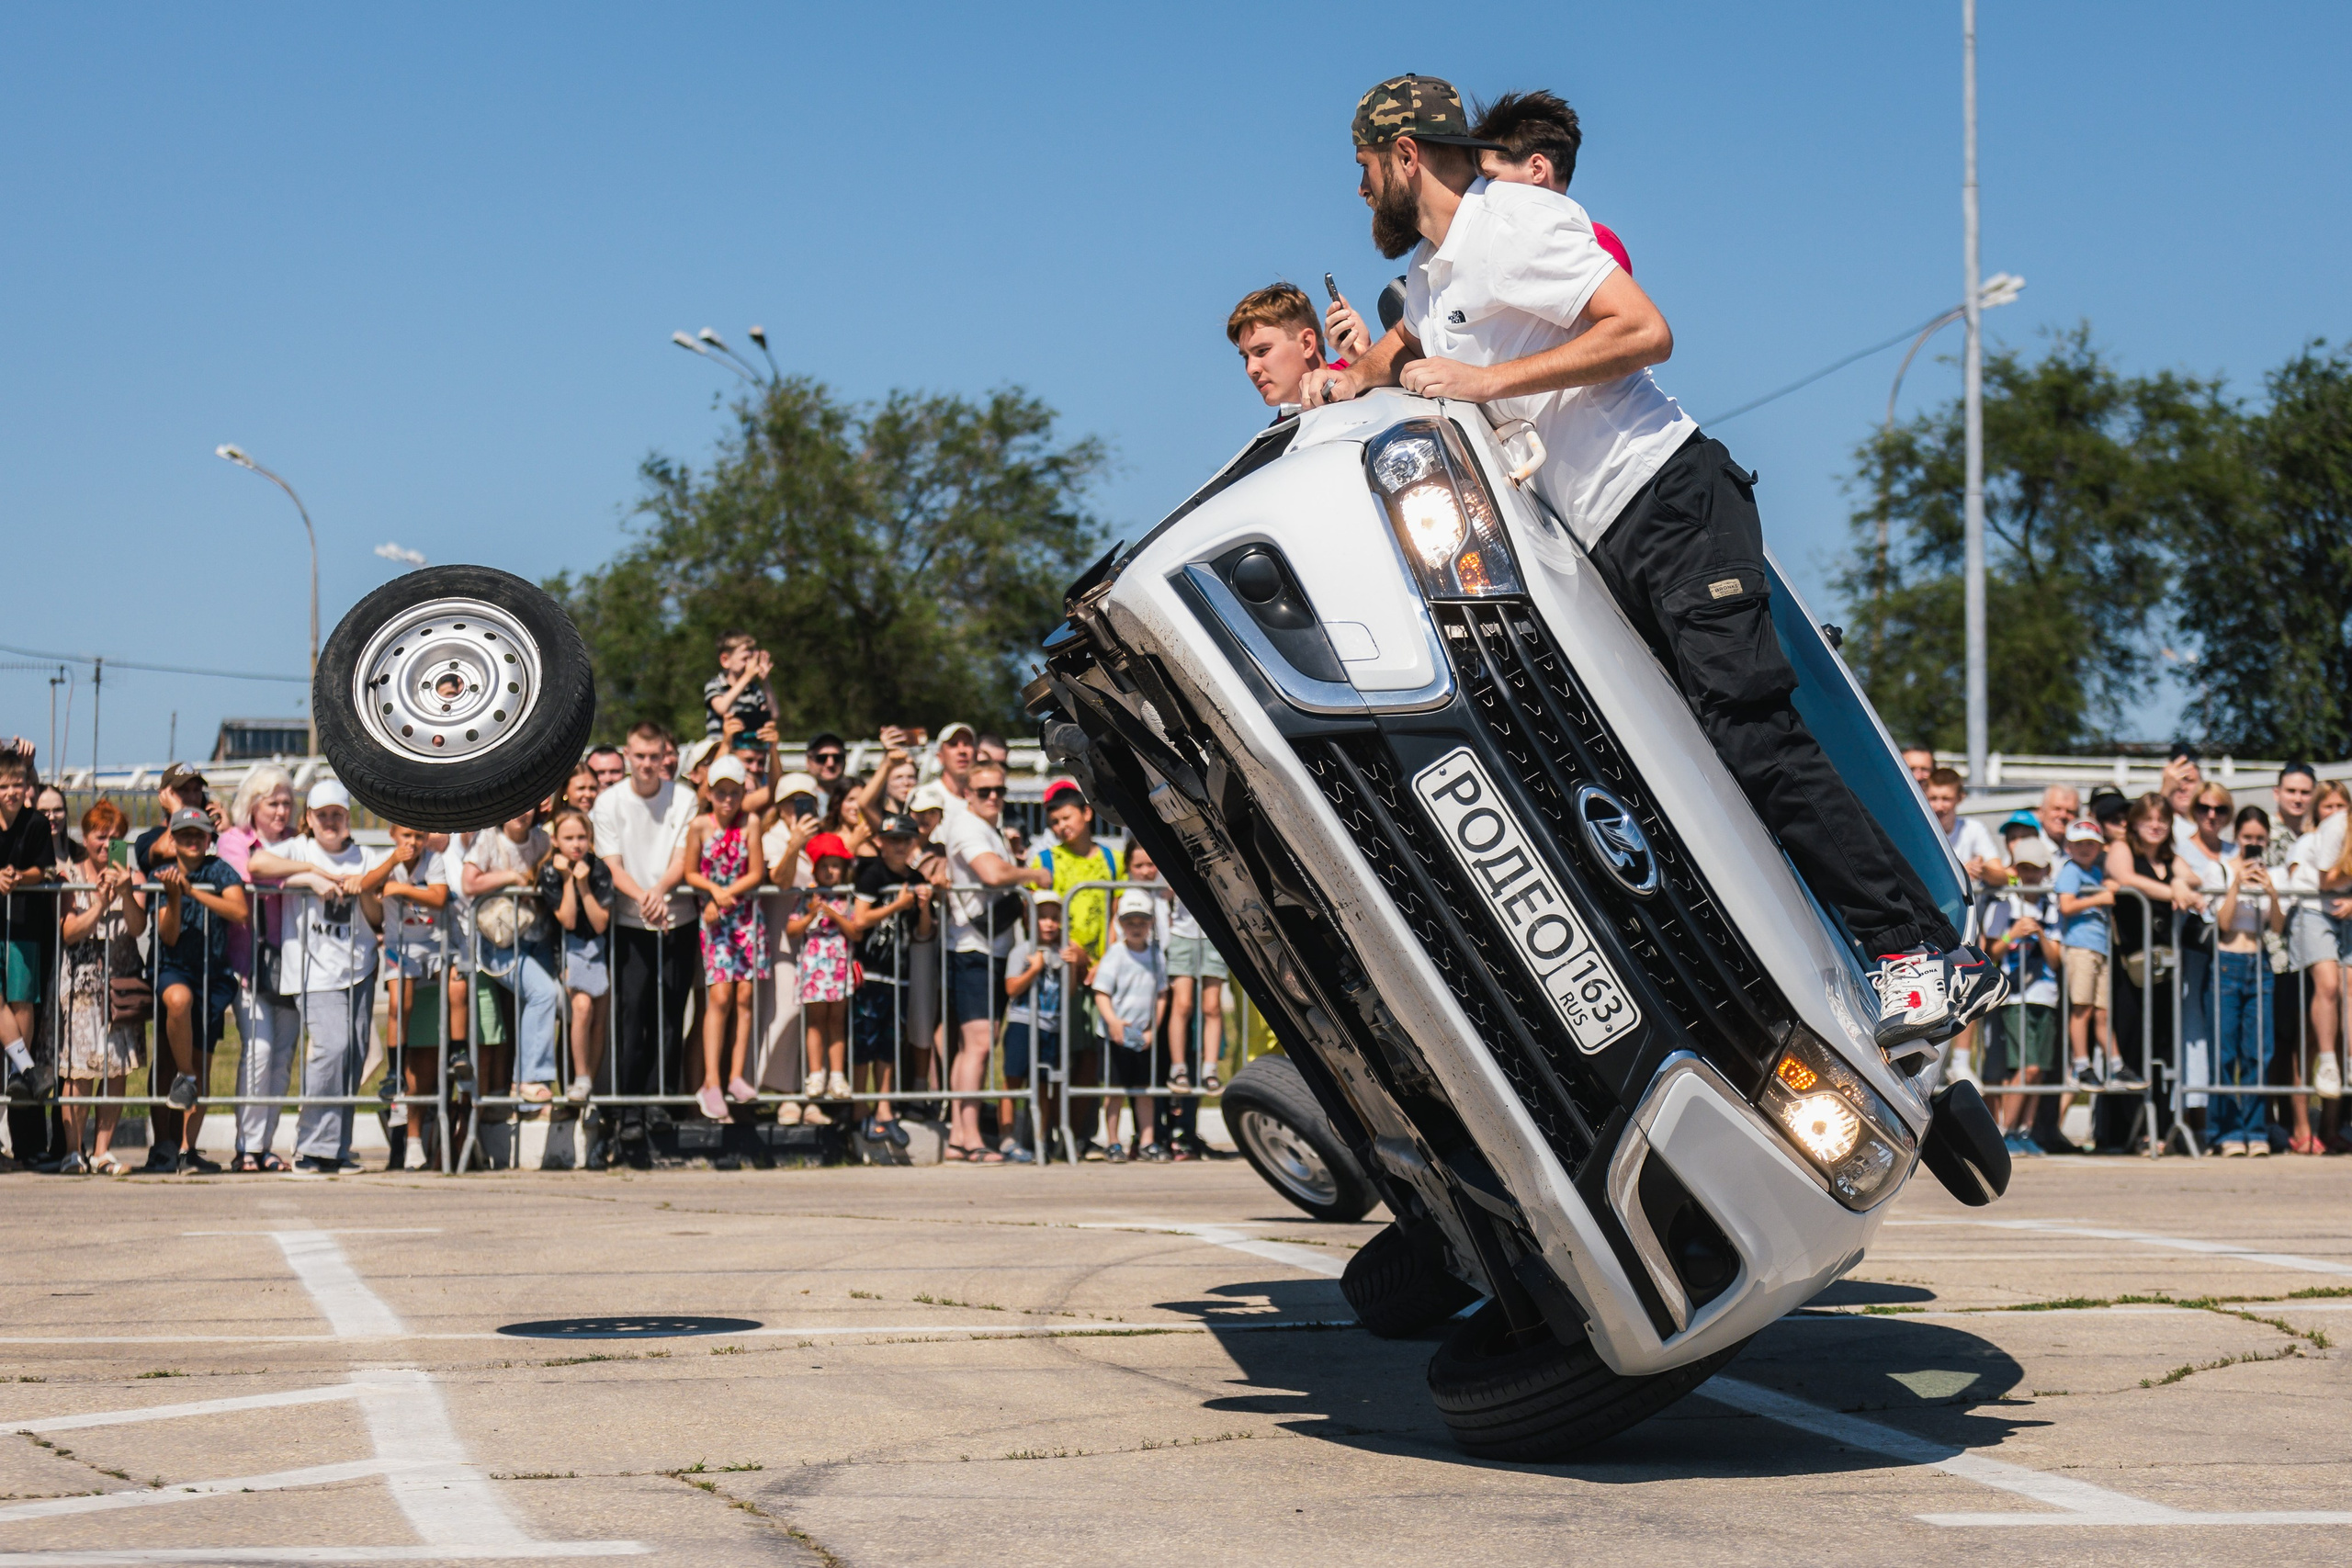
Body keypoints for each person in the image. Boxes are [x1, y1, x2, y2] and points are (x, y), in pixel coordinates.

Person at [1305, 73, 1999, 1050]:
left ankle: (1920, 955)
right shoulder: (1437, 275)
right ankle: (1822, 970)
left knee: (1750, 734)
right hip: (1607, 538)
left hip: (1669, 497)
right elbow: (1388, 361)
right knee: (1685, 761)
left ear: (1403, 155)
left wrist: (1485, 381)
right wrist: (1331, 386)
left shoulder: (1516, 225)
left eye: (1363, 167)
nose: (1360, 188)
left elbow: (1643, 330)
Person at [248, 784, 379, 1173]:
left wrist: (365, 888)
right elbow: (257, 865)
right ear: (308, 818)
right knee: (332, 1047)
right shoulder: (298, 850)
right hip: (313, 971)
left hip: (360, 965)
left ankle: (336, 1147)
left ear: (347, 816)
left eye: (337, 813)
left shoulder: (365, 855)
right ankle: (310, 1145)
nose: (329, 821)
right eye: (321, 814)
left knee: (353, 1058)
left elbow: (376, 915)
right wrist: (311, 874)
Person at [594, 721, 698, 1168]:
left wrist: (660, 893)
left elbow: (682, 857)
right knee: (631, 1013)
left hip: (678, 917)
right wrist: (643, 898)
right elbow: (613, 867)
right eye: (639, 756)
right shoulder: (609, 802)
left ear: (664, 756)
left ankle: (661, 1102)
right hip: (630, 921)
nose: (647, 765)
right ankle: (629, 1108)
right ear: (628, 755)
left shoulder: (685, 797)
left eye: (655, 756)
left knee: (671, 1014)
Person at [941, 761, 1048, 1160]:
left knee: (976, 1046)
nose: (992, 797)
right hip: (973, 948)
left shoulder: (989, 828)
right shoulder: (968, 826)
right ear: (967, 793)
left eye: (999, 791)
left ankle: (959, 1134)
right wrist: (1032, 874)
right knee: (979, 1045)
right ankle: (969, 1139)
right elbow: (991, 873)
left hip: (991, 947)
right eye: (983, 790)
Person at [150, 806, 248, 1172]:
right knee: (178, 1000)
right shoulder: (159, 874)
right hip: (175, 968)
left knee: (206, 1066)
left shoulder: (220, 870)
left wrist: (192, 891)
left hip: (213, 974)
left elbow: (239, 911)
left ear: (209, 839)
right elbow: (168, 935)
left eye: (199, 834)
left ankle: (188, 1150)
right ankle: (185, 1076)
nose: (192, 840)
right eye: (185, 834)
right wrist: (174, 897)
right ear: (172, 838)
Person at [218, 765, 301, 1170]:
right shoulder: (235, 841)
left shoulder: (299, 842)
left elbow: (283, 872)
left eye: (287, 802)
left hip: (292, 965)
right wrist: (301, 871)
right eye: (273, 803)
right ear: (254, 805)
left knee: (284, 1056)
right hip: (248, 964)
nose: (281, 811)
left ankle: (266, 1145)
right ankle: (246, 1146)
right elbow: (249, 872)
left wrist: (295, 868)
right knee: (260, 1050)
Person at [56, 801, 144, 1175]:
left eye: (115, 837)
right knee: (78, 1071)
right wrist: (99, 905)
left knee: (115, 1068)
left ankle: (102, 1152)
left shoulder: (134, 877)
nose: (107, 844)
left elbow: (138, 927)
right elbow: (70, 931)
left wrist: (123, 894)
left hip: (120, 982)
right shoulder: (70, 875)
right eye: (100, 835)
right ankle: (72, 1151)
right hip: (79, 984)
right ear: (85, 837)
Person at [684, 755, 770, 1122]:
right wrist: (714, 893)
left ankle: (736, 1075)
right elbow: (690, 872)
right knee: (718, 997)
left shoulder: (750, 823)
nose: (728, 801)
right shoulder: (699, 826)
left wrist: (726, 892)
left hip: (744, 916)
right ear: (710, 793)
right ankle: (712, 1080)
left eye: (734, 793)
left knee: (746, 996)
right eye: (721, 793)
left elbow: (757, 872)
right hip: (716, 919)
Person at [1467, 89, 1633, 271]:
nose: (1481, 189)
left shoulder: (1597, 244)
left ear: (1537, 169)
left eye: (1490, 178)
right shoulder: (1482, 242)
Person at [369, 822, 454, 1169]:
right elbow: (367, 885)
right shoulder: (385, 859)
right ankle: (393, 1073)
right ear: (392, 835)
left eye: (419, 836)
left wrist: (398, 889)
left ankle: (420, 1137)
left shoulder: (434, 861)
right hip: (399, 952)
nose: (413, 843)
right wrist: (390, 872)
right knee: (398, 1006)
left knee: (428, 1047)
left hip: (433, 954)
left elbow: (438, 897)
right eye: (406, 836)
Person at [463, 808, 561, 1108]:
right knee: (544, 994)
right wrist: (510, 877)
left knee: (539, 1003)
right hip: (500, 941)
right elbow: (469, 884)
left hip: (538, 936)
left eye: (530, 806)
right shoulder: (488, 839)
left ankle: (527, 1091)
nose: (523, 813)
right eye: (517, 807)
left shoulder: (543, 839)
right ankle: (532, 1078)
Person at [846, 813, 932, 1148]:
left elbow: (923, 933)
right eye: (892, 839)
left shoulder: (916, 876)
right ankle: (858, 1108)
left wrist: (923, 908)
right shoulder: (871, 875)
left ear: (914, 843)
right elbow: (861, 919)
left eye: (905, 840)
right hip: (869, 972)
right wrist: (897, 905)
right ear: (880, 842)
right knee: (864, 1044)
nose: (898, 846)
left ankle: (883, 1108)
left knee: (889, 1044)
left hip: (899, 974)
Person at [2209, 807, 2285, 1155]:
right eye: (2247, 838)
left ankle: (2255, 1130)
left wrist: (2270, 891)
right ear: (2236, 838)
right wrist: (2237, 883)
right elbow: (2223, 923)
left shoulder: (2276, 874)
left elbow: (2278, 927)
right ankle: (2227, 1132)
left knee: (2258, 1052)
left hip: (2259, 963)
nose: (2253, 845)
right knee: (2225, 1052)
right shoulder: (2221, 869)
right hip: (2226, 960)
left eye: (2259, 839)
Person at [1980, 839, 2060, 1159]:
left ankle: (2024, 1130)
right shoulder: (2004, 904)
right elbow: (1991, 954)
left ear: (2045, 871)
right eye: (2023, 868)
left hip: (2046, 995)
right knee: (2025, 1066)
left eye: (2034, 869)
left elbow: (2056, 960)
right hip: (2015, 998)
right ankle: (2005, 1131)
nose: (2029, 875)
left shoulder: (2050, 905)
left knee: (2038, 1068)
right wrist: (2013, 935)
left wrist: (2039, 933)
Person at [2281, 782, 2350, 1147]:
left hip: (2342, 924)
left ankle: (2331, 1128)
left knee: (2340, 1026)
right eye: (2328, 806)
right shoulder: (2312, 840)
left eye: (2341, 804)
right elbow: (2316, 882)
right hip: (2311, 922)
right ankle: (2302, 1128)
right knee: (2305, 1035)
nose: (2335, 811)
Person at [1001, 890, 1088, 1163]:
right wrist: (1034, 969)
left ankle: (1040, 1140)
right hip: (1022, 1024)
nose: (1049, 924)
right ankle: (1007, 1139)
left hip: (1051, 1027)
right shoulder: (1021, 951)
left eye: (1054, 918)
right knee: (1013, 1080)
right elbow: (1012, 988)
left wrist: (1073, 967)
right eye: (1043, 918)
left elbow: (1069, 992)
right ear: (1030, 920)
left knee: (1044, 1085)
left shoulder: (1062, 953)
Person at [541, 807, 615, 1111]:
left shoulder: (599, 869)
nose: (576, 844)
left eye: (582, 837)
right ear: (556, 840)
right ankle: (580, 1077)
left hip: (598, 947)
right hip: (565, 948)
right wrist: (569, 879)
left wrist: (584, 883)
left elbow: (600, 922)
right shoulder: (549, 871)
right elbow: (569, 919)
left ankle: (589, 1087)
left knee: (598, 1016)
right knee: (581, 1007)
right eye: (569, 837)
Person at [0, 751, 58, 1118]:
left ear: (28, 787)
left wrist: (21, 877)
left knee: (21, 999)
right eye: (4, 786)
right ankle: (27, 1068)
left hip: (23, 924)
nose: (11, 792)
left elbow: (46, 869)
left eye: (18, 784)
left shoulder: (36, 822)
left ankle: (20, 1073)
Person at [1092, 889, 1170, 1161]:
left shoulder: (1155, 956)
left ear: (1151, 923)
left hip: (1142, 1035)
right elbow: (1101, 992)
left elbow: (1162, 994)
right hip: (1114, 1035)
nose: (1136, 927)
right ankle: (1113, 1142)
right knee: (1114, 1091)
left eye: (1142, 921)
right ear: (1121, 924)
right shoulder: (1115, 954)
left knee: (1144, 1090)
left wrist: (1152, 1030)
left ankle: (1147, 1141)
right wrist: (1113, 1022)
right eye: (1130, 922)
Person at [2053, 819, 2118, 1091]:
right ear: (2069, 847)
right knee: (2083, 1008)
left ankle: (2116, 1064)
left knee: (2101, 1011)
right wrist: (2100, 898)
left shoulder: (2093, 872)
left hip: (2097, 947)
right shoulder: (2071, 870)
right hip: (2080, 947)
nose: (2085, 848)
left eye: (2090, 843)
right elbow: (2066, 905)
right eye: (2079, 844)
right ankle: (2081, 1064)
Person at [1229, 282, 1349, 412]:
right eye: (1246, 357)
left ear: (1306, 343)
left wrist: (1364, 358)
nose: (1251, 369)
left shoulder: (1367, 379)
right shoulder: (1278, 431)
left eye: (1262, 351)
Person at [1926, 768, 2006, 890]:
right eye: (1933, 798)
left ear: (1960, 798)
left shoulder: (1973, 828)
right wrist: (1960, 873)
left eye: (1946, 799)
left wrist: (1982, 870)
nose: (1939, 807)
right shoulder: (1918, 831)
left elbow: (2002, 877)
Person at [703, 633, 778, 739]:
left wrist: (765, 682)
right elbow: (721, 708)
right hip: (719, 746)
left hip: (745, 746)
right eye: (745, 659)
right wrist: (747, 676)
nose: (750, 664)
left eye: (752, 659)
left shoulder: (753, 690)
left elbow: (773, 715)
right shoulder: (715, 684)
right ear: (725, 660)